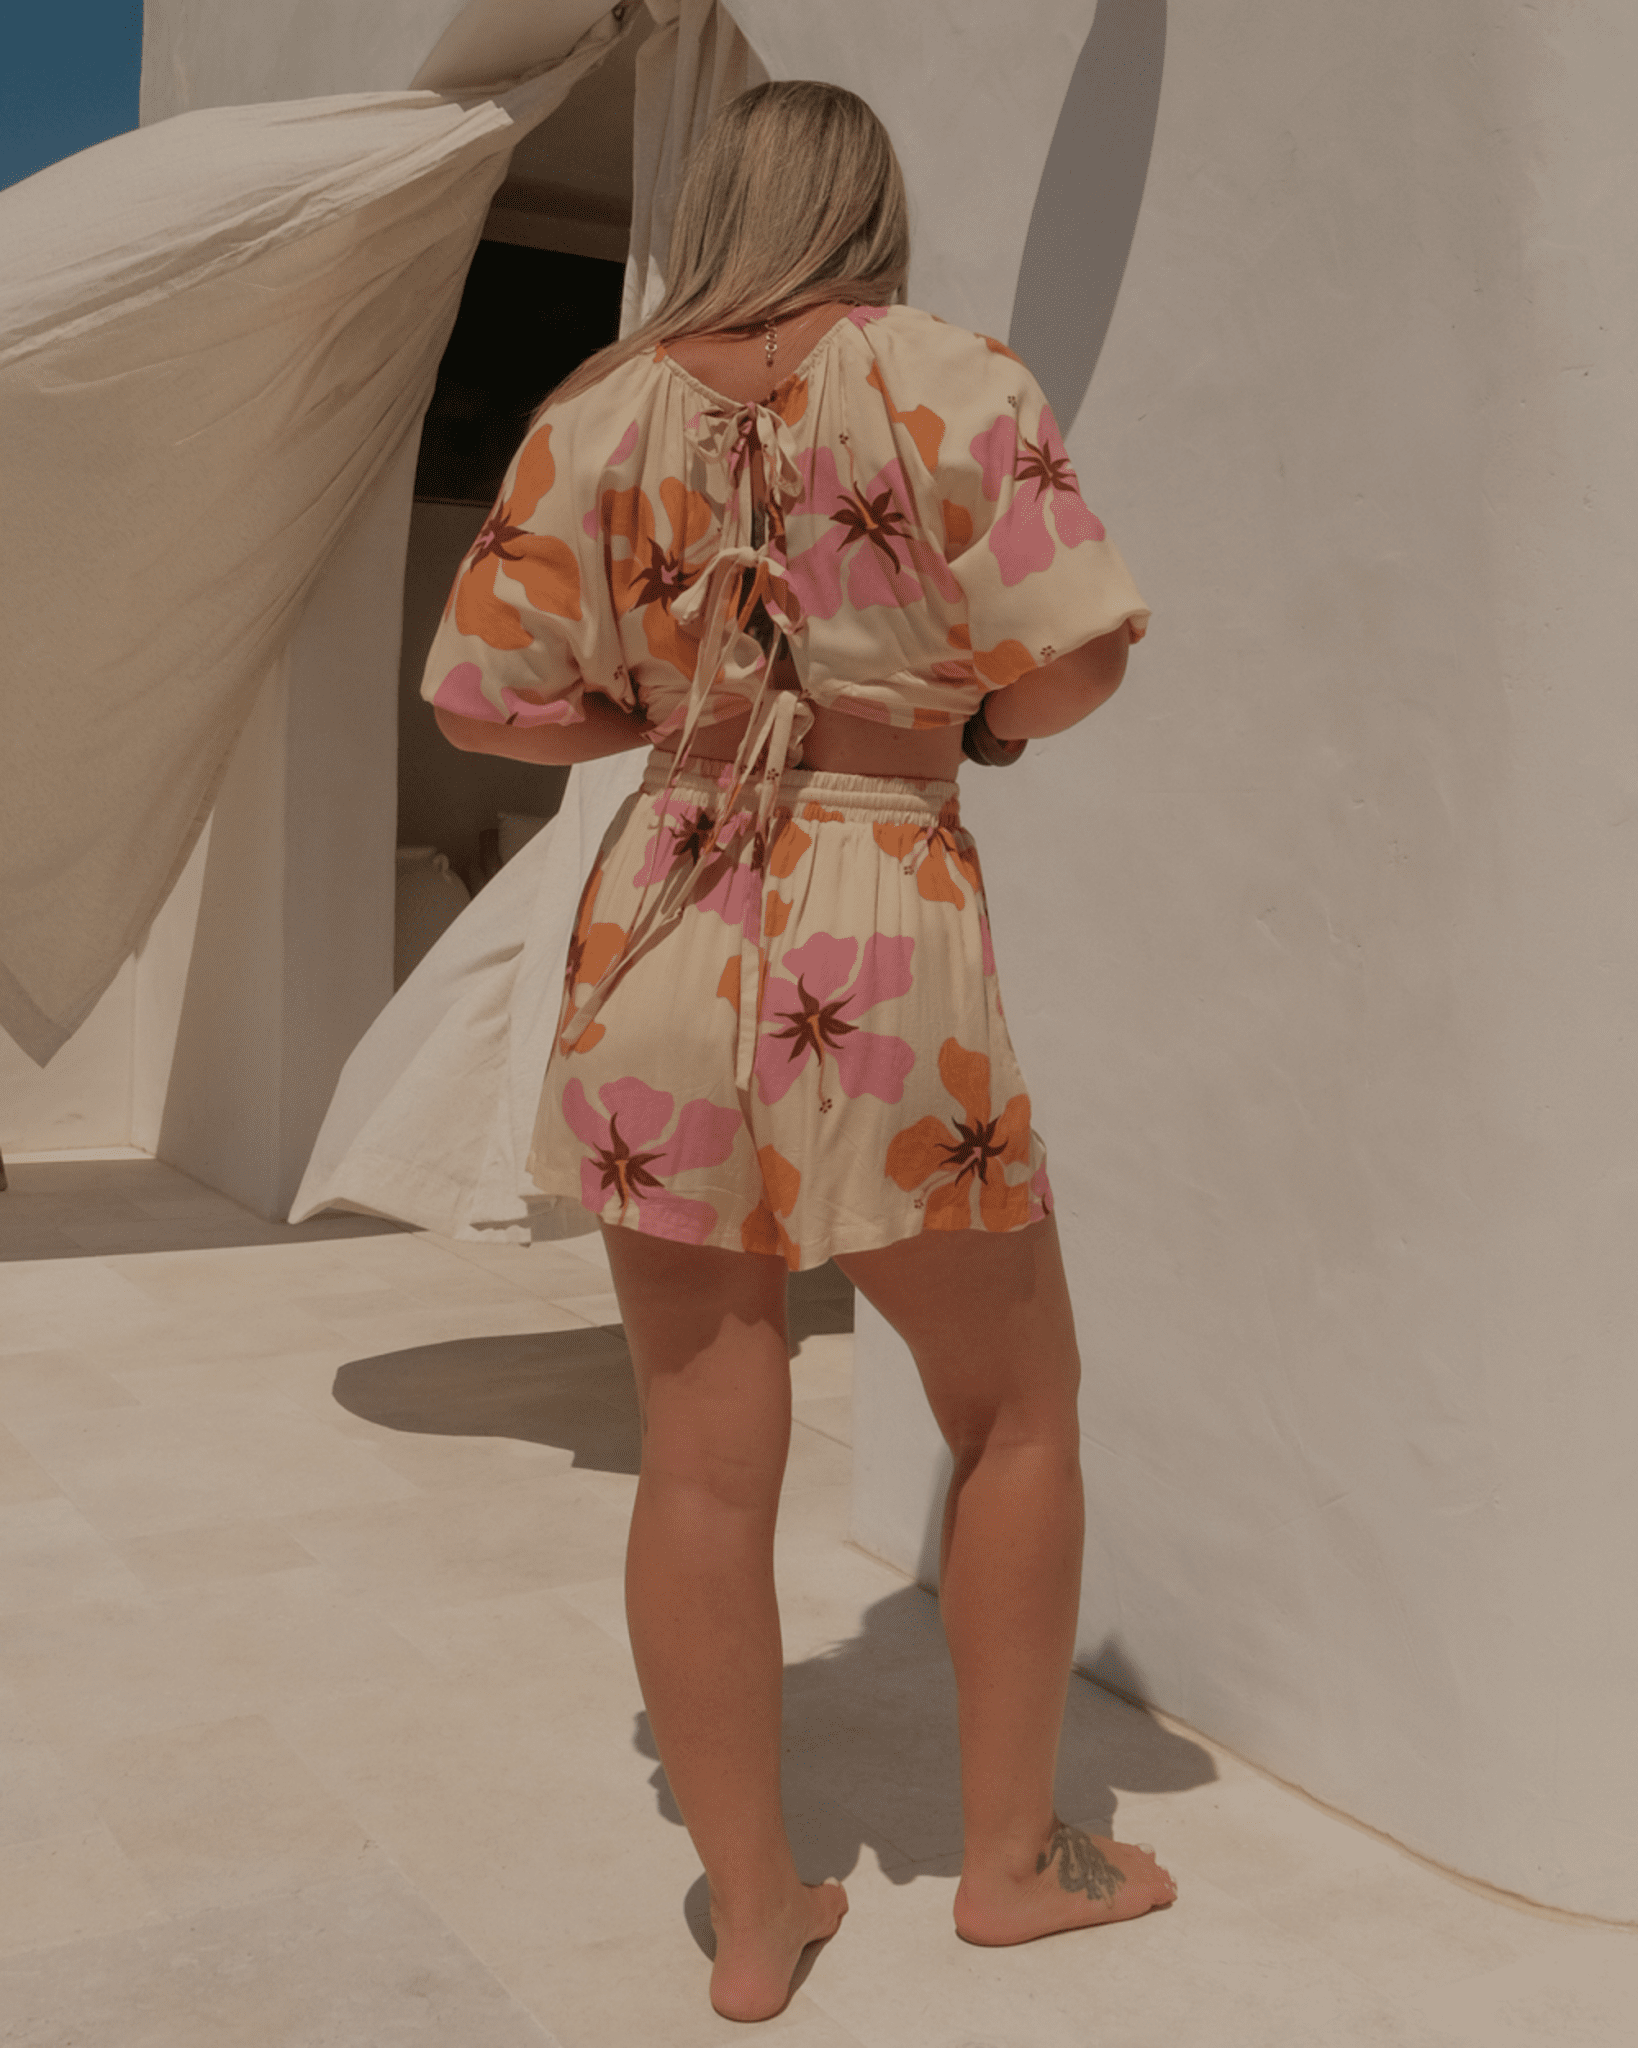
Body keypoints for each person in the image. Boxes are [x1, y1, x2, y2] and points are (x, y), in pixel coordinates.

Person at [426, 79, 1174, 2023]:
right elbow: (1082, 653)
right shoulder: (943, 375)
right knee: (1013, 1409)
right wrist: (960, 720)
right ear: (867, 211)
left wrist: (663, 725)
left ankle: (757, 1918)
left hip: (666, 911)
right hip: (881, 908)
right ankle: (1010, 1863)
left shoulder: (598, 410)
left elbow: (481, 704)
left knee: (697, 1453)